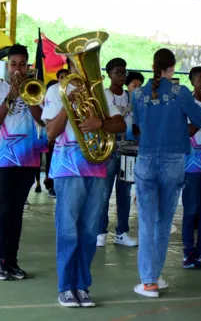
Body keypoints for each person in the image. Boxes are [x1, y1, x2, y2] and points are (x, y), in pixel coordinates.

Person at [43, 57, 127, 307]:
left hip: (97, 167)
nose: (84, 66)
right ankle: (66, 287)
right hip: (68, 169)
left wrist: (99, 123)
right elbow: (50, 132)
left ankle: (82, 285)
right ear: (69, 63)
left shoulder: (101, 91)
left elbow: (120, 124)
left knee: (90, 231)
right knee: (68, 229)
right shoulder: (55, 91)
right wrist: (68, 105)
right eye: (78, 60)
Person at [131, 49, 201, 298]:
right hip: (174, 161)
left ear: (153, 66)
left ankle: (149, 281)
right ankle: (154, 277)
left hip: (145, 159)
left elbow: (137, 127)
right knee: (164, 222)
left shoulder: (138, 94)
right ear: (172, 67)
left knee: (146, 221)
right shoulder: (181, 92)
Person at [0, 44, 43, 280]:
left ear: (28, 66)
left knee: (17, 212)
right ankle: (0, 262)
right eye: (13, 64)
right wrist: (12, 95)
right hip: (3, 160)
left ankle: (13, 261)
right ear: (8, 66)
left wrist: (28, 96)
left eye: (22, 64)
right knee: (3, 209)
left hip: (28, 159)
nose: (17, 69)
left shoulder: (35, 89)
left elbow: (41, 119)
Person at [97, 58, 138, 247]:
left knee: (125, 192)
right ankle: (100, 232)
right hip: (109, 146)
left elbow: (136, 122)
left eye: (124, 72)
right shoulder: (103, 95)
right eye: (118, 72)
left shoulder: (131, 96)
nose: (122, 75)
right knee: (104, 192)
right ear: (109, 74)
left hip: (129, 147)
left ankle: (121, 233)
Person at [181, 66, 201, 269]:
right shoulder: (186, 104)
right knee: (191, 210)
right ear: (192, 82)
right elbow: (187, 132)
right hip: (191, 163)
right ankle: (188, 253)